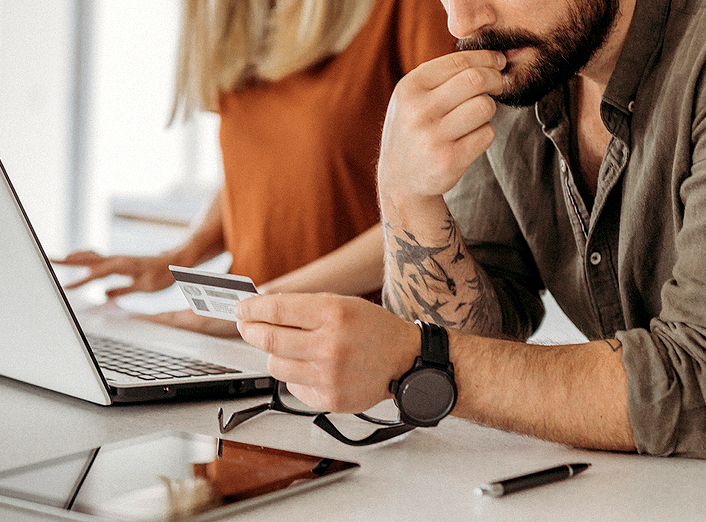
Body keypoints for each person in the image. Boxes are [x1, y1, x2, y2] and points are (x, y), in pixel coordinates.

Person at [232, 0, 706, 459]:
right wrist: (406, 194)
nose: (462, 22)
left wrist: (416, 359)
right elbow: (477, 336)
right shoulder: (526, 64)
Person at [56, 0, 455, 336]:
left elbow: (449, 207)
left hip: (350, 346)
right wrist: (179, 257)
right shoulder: (243, 15)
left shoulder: (406, 8)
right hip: (242, 336)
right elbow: (262, 171)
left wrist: (262, 303)